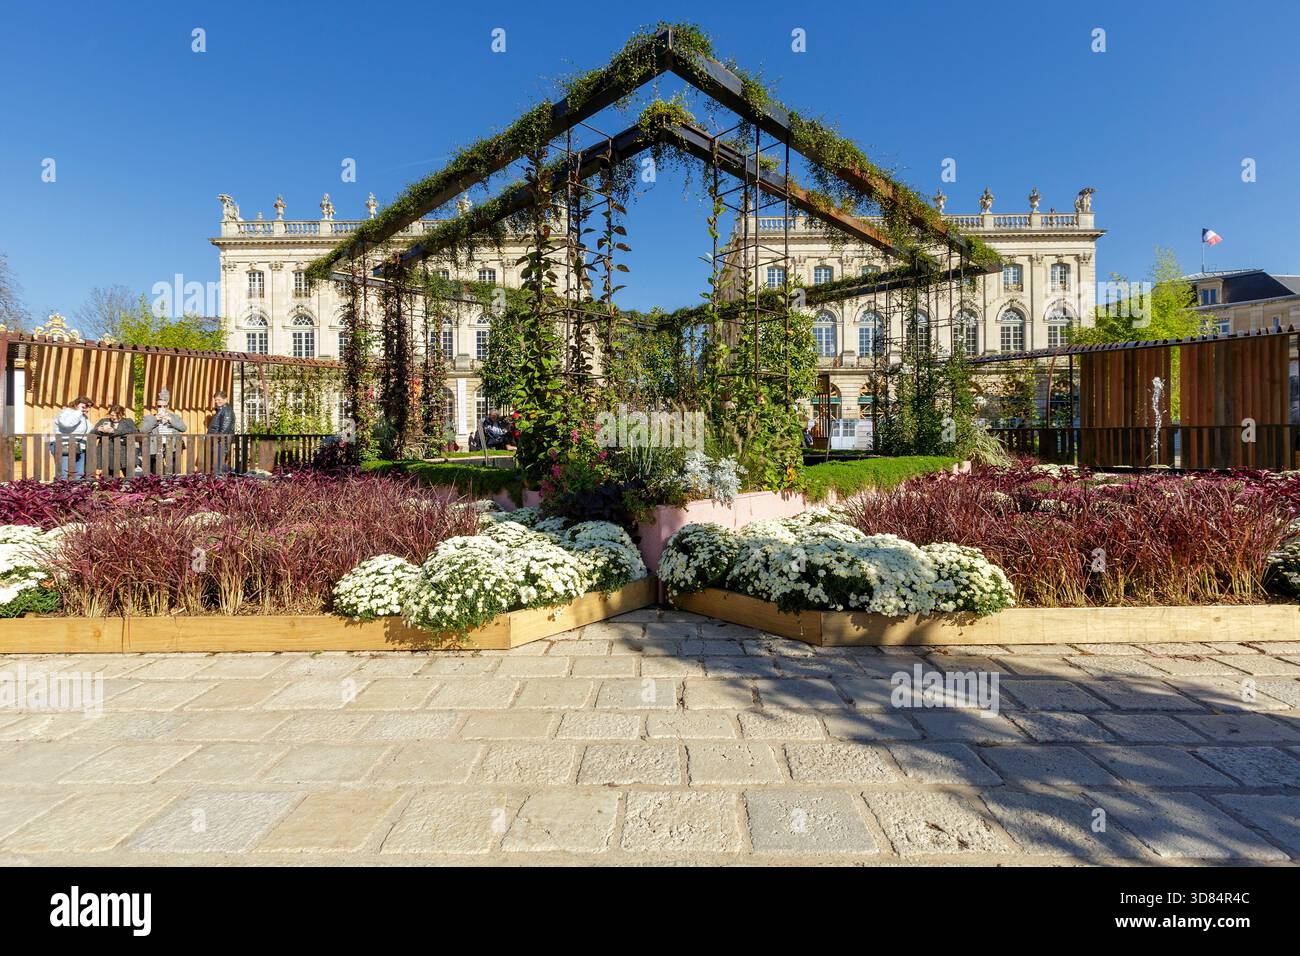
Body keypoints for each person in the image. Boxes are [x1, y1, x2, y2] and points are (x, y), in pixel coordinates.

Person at [140, 389, 187, 475]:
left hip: (172, 445)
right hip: (155, 446)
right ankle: (157, 487)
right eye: (159, 406)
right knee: (155, 470)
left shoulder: (174, 417)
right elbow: (143, 430)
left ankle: (173, 486)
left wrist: (170, 420)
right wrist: (155, 419)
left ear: (168, 407)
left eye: (164, 406)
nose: (162, 408)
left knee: (173, 469)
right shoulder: (149, 418)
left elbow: (183, 428)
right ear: (156, 407)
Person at [48, 396, 92, 479]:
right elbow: (66, 423)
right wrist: (79, 411)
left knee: (79, 474)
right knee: (63, 474)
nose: (87, 409)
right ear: (77, 404)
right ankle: (60, 490)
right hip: (64, 445)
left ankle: (76, 491)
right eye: (85, 406)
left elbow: (88, 431)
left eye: (88, 407)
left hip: (80, 447)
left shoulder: (83, 417)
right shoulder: (66, 412)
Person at [91, 404, 137, 477]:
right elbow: (92, 432)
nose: (114, 417)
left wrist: (114, 431)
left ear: (122, 414)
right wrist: (98, 430)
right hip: (107, 451)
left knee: (129, 474)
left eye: (117, 415)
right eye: (112, 415)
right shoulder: (103, 421)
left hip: (125, 451)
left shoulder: (128, 421)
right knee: (108, 473)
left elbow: (134, 431)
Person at [206, 389, 236, 475]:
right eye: (215, 400)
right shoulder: (222, 410)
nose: (216, 402)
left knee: (218, 466)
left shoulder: (226, 410)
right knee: (218, 464)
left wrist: (217, 438)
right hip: (219, 441)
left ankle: (233, 473)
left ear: (225, 399)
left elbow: (225, 428)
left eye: (219, 399)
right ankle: (234, 472)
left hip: (221, 442)